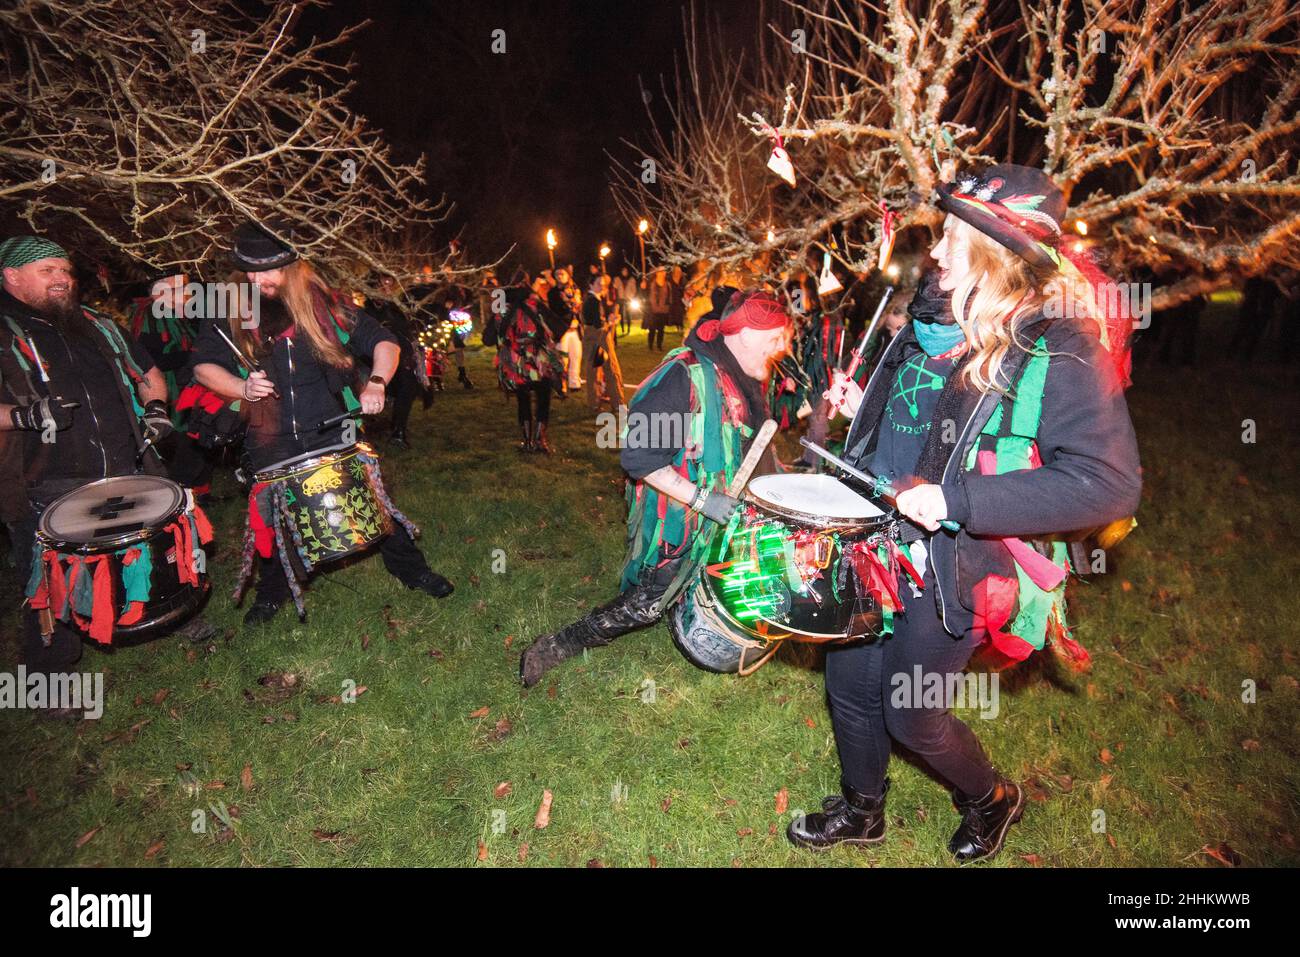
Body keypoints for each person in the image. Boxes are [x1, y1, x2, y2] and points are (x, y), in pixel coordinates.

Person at [797, 164, 1142, 862]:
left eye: (955, 236)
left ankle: (992, 798)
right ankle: (863, 810)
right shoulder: (927, 316)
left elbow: (1110, 482)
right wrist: (857, 397)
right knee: (849, 683)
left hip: (958, 554)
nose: (938, 249)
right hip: (873, 533)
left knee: (911, 709)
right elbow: (910, 415)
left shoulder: (1057, 347)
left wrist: (956, 501)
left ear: (993, 256)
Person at [519, 289, 792, 687]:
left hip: (723, 509)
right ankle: (557, 645)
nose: (781, 348)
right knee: (645, 606)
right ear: (745, 334)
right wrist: (702, 499)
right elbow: (638, 459)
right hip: (678, 515)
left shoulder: (743, 374)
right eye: (774, 339)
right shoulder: (682, 377)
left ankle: (690, 609)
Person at [192, 222, 454, 626]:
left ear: (293, 268)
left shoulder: (325, 304)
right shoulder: (231, 306)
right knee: (278, 521)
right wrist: (242, 387)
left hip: (332, 427)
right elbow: (203, 367)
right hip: (269, 437)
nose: (257, 279)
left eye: (268, 271)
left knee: (372, 507)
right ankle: (272, 592)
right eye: (250, 271)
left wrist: (379, 382)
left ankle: (412, 570)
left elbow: (385, 341)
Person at [0, 236, 214, 702]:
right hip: (47, 479)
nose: (62, 278)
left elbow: (148, 372)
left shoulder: (96, 323)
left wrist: (156, 408)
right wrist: (21, 416)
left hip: (126, 463)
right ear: (12, 276)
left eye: (65, 270)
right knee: (52, 584)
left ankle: (177, 618)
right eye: (47, 270)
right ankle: (51, 688)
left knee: (152, 551)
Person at [128, 272, 216, 495]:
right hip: (171, 393)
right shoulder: (150, 315)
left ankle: (197, 493)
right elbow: (148, 360)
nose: (188, 293)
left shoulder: (178, 316)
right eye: (179, 288)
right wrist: (194, 356)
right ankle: (179, 497)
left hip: (186, 389)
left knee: (199, 441)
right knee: (183, 447)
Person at [483, 274, 564, 453]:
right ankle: (540, 439)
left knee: (523, 399)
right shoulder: (535, 304)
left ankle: (527, 440)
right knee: (543, 398)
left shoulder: (503, 308)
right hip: (539, 360)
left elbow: (487, 339)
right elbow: (559, 327)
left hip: (515, 362)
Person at [364, 274, 422, 449]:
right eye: (383, 285)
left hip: (398, 360)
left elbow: (406, 331)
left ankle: (399, 430)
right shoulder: (366, 312)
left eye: (390, 285)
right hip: (371, 363)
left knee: (409, 384)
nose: (387, 289)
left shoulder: (397, 309)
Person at [580, 276, 625, 411]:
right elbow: (598, 323)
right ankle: (615, 403)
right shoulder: (592, 301)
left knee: (603, 371)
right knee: (608, 370)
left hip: (597, 338)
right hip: (598, 338)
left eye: (604, 284)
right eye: (599, 283)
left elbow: (599, 320)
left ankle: (607, 402)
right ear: (591, 285)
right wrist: (611, 322)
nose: (602, 286)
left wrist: (609, 319)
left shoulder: (595, 300)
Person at [647, 268, 671, 350]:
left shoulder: (667, 284)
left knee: (661, 329)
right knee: (652, 329)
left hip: (664, 310)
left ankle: (659, 345)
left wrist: (667, 307)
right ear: (657, 273)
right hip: (654, 311)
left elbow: (669, 297)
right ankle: (650, 345)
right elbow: (650, 297)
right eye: (660, 272)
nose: (662, 273)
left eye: (663, 271)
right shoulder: (652, 284)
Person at [613, 265, 637, 336]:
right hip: (620, 299)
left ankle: (628, 329)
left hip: (628, 299)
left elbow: (634, 290)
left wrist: (631, 296)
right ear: (621, 271)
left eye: (626, 271)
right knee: (621, 315)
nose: (625, 272)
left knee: (628, 314)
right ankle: (623, 329)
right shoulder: (617, 279)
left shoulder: (631, 279)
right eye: (623, 271)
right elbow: (615, 288)